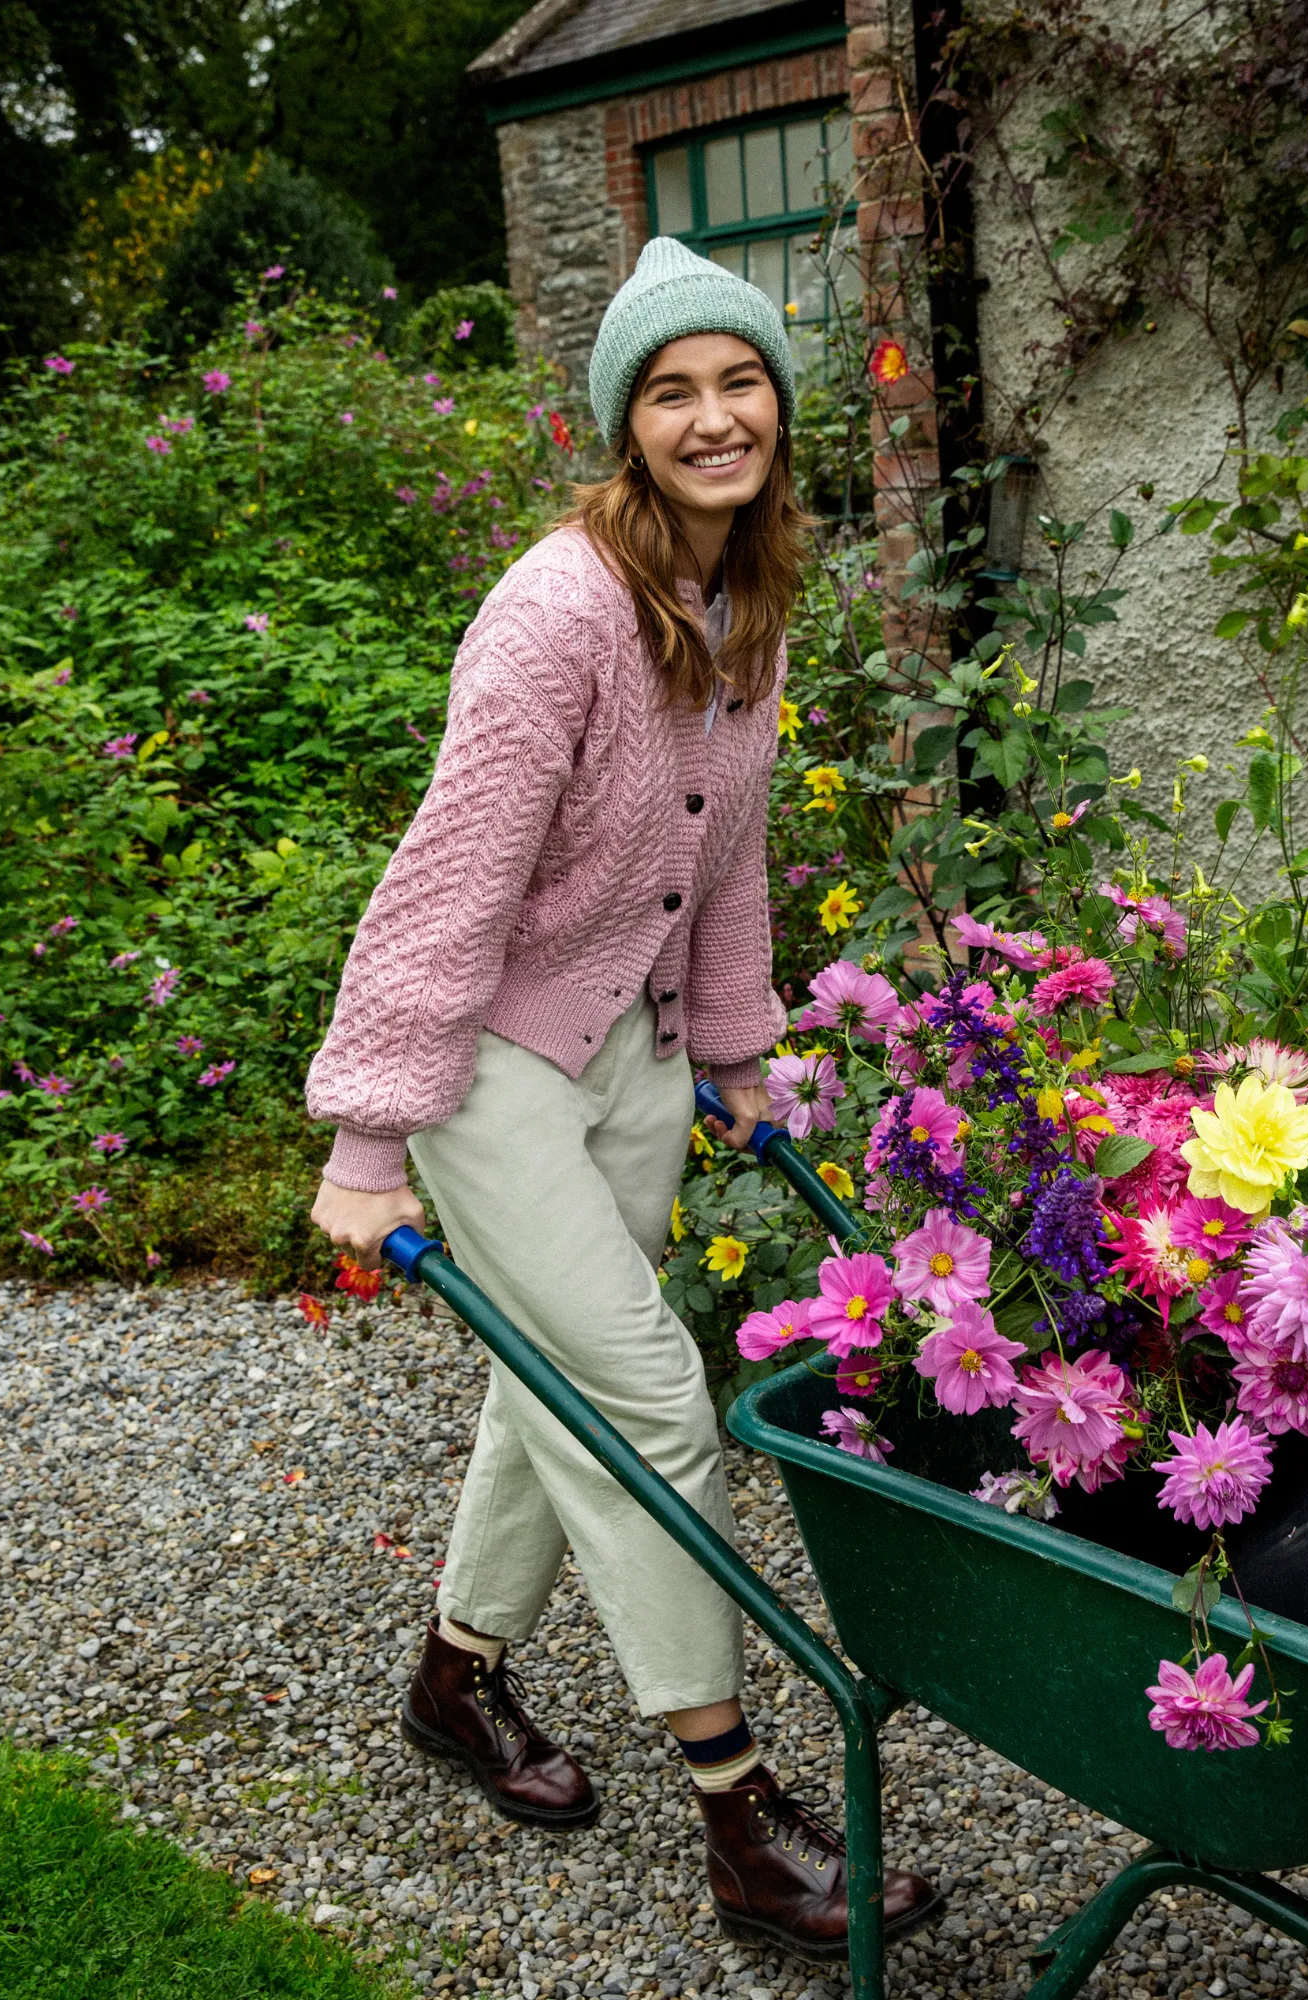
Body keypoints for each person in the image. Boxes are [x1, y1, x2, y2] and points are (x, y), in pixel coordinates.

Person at [306, 237, 939, 1963]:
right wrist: (374, 1137)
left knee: (553, 1387)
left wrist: (735, 1054)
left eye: (739, 381)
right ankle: (740, 1812)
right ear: (626, 426)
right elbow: (447, 886)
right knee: (656, 1403)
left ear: (778, 411)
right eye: (673, 391)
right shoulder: (559, 612)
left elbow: (724, 858)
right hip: (497, 1063)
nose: (714, 415)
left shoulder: (752, 595)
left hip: (639, 1059)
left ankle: (455, 1681)